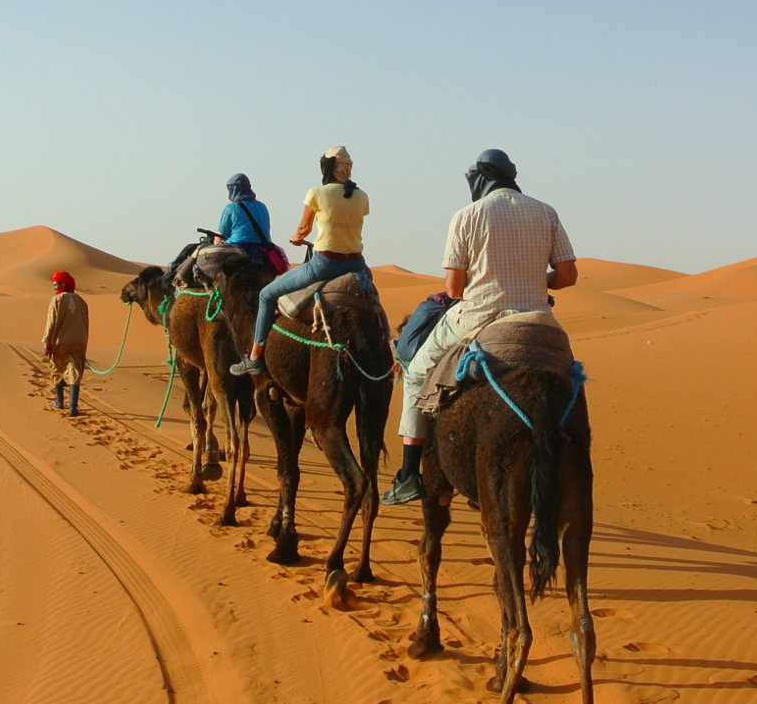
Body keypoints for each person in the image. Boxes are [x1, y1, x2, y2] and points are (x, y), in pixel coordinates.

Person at [382, 148, 578, 504]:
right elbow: (567, 276)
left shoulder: (467, 215)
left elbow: (454, 289)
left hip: (477, 317)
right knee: (569, 379)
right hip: (537, 317)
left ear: (480, 179)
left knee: (414, 375)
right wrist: (536, 280)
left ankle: (409, 474)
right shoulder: (545, 211)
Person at [230, 145, 372, 376]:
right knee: (372, 301)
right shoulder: (362, 196)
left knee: (266, 295)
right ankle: (387, 345)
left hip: (325, 264)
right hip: (357, 264)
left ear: (326, 168)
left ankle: (255, 357)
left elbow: (304, 228)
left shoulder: (316, 193)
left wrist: (297, 238)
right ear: (348, 168)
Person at [167, 173, 275, 278]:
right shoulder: (262, 207)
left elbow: (220, 236)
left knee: (200, 257)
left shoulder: (231, 208)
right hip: (262, 252)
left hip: (237, 250)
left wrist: (215, 242)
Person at [41, 269, 91, 416]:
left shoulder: (57, 300)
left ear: (63, 284)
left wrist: (46, 341)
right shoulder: (82, 301)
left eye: (56, 284)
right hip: (78, 341)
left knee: (57, 369)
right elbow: (85, 323)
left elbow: (51, 322)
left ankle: (59, 402)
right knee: (75, 371)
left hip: (60, 341)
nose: (54, 287)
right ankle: (73, 407)